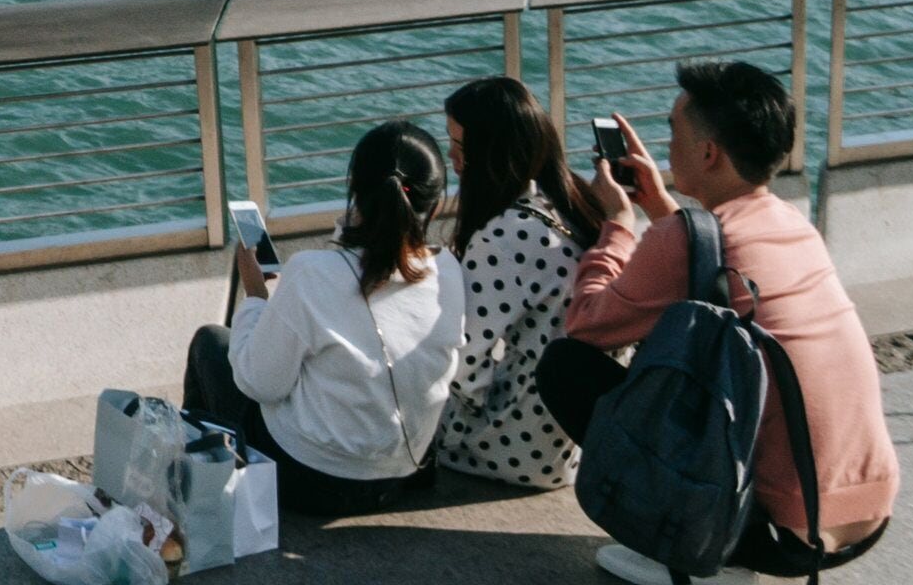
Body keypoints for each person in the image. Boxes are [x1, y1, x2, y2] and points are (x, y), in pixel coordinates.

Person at [541, 61, 897, 585]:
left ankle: (695, 560)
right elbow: (704, 256)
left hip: (775, 534)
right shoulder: (792, 224)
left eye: (674, 133)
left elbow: (589, 324)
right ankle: (717, 543)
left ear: (709, 153)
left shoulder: (682, 240)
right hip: (863, 521)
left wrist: (618, 223)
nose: (667, 145)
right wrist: (660, 205)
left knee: (564, 367)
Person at [184, 122, 469, 517]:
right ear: (436, 205)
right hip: (404, 471)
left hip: (312, 481)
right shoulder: (449, 270)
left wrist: (256, 297)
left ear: (354, 191)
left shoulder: (312, 273)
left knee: (211, 344)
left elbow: (259, 382)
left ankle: (200, 488)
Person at [431, 76, 619, 489]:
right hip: (576, 438)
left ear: (490, 152)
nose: (451, 155)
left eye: (459, 145)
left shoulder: (504, 235)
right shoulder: (570, 206)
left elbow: (465, 365)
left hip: (516, 444)